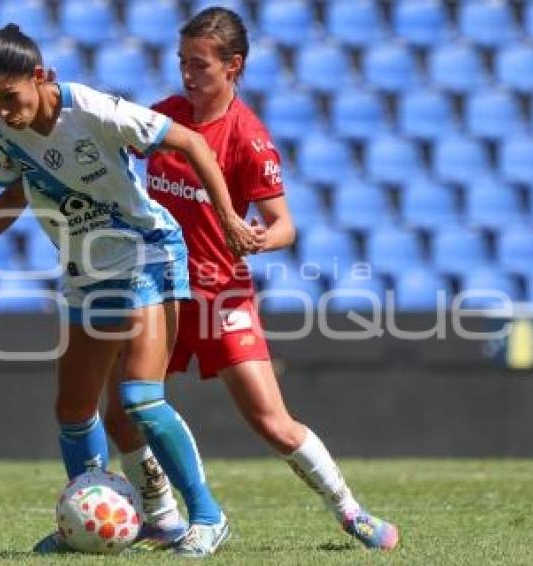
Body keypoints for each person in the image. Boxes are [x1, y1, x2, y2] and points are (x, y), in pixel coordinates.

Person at [0, 24, 260, 557]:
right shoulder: (3, 128)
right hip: (86, 270)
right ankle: (97, 519)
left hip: (146, 254)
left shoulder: (92, 109)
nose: (3, 109)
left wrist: (226, 217)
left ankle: (207, 514)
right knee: (73, 408)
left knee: (138, 399)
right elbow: (20, 189)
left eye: (10, 96)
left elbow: (192, 141)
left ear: (39, 77)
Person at [102, 7, 399, 552]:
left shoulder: (247, 137)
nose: (188, 75)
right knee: (118, 413)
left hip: (222, 294)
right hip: (163, 292)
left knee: (271, 421)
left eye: (200, 65)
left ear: (233, 66)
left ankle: (350, 511)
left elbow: (285, 226)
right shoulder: (165, 118)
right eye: (182, 63)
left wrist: (257, 237)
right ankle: (163, 515)